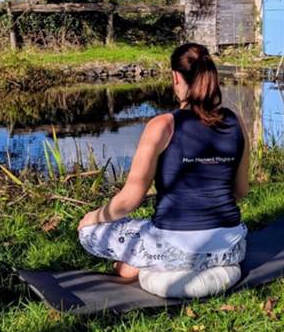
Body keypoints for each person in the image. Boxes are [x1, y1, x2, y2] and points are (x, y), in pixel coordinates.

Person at [77, 43, 250, 280]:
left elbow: (129, 200)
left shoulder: (162, 126)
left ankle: (135, 265)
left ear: (175, 77)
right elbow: (240, 191)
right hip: (230, 248)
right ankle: (147, 262)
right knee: (146, 228)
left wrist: (93, 217)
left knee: (90, 232)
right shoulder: (235, 122)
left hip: (174, 248)